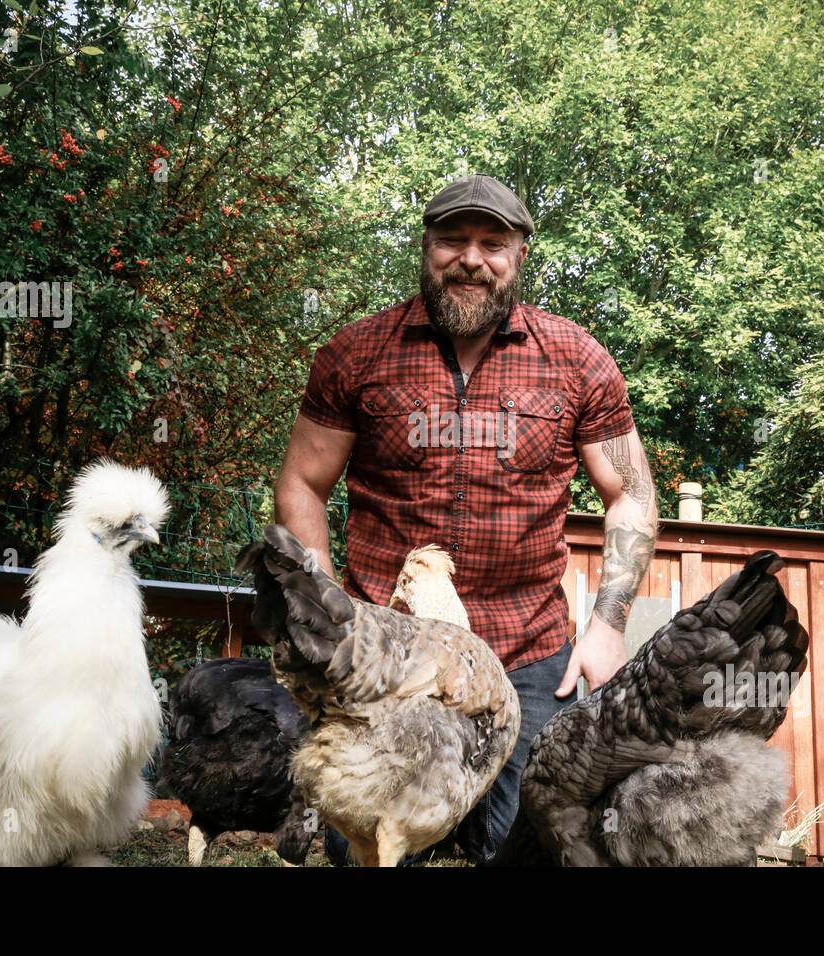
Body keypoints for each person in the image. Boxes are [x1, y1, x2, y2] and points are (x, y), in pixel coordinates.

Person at [273, 174, 659, 864]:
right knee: (371, 846)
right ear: (426, 248)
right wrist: (327, 612)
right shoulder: (356, 354)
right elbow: (302, 482)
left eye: (493, 243)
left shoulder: (577, 359)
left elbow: (631, 493)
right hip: (387, 661)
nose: (471, 259)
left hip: (528, 660)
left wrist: (607, 626)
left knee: (535, 849)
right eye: (453, 240)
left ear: (519, 255)